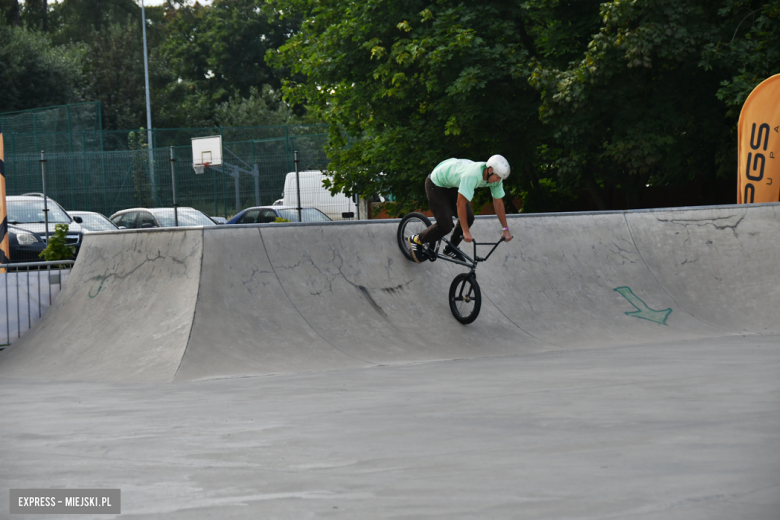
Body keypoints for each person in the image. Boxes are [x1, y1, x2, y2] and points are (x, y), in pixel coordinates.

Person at [408, 155, 514, 262]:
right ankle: (416, 239)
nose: (498, 180)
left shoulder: (496, 178)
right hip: (436, 184)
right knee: (445, 226)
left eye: (500, 178)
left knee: (469, 218)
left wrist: (505, 229)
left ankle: (451, 248)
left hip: (452, 183)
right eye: (497, 177)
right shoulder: (472, 176)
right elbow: (460, 204)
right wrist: (465, 231)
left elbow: (498, 203)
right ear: (490, 170)